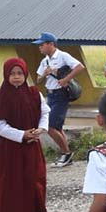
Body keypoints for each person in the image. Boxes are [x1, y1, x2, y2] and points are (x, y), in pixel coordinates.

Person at [0, 58, 56, 212]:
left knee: (36, 179)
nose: (16, 77)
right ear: (6, 75)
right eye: (12, 74)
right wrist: (21, 135)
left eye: (19, 73)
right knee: (15, 183)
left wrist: (40, 129)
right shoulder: (3, 96)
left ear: (25, 74)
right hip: (11, 149)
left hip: (32, 144)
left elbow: (45, 112)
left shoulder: (34, 93)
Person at [33, 32, 85, 168]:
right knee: (57, 127)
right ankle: (66, 155)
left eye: (42, 45)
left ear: (51, 44)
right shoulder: (44, 61)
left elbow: (80, 66)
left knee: (50, 126)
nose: (40, 47)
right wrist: (45, 73)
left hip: (61, 95)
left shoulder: (63, 56)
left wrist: (66, 79)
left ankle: (66, 153)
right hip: (50, 95)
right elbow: (38, 79)